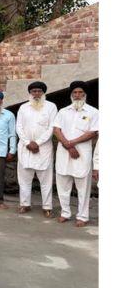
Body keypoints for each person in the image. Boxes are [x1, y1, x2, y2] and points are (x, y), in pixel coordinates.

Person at [53, 81, 98, 227]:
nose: (77, 95)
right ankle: (65, 213)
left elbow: (93, 132)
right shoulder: (63, 111)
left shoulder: (93, 112)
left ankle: (83, 216)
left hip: (82, 154)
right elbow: (56, 130)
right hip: (64, 152)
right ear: (71, 94)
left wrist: (71, 143)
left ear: (85, 94)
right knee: (63, 185)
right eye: (75, 93)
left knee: (83, 187)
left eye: (80, 93)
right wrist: (67, 145)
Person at [16, 81, 58, 217]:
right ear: (30, 93)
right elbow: (19, 127)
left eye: (39, 91)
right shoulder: (23, 107)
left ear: (43, 93)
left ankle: (47, 207)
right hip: (26, 148)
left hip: (43, 148)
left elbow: (52, 127)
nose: (36, 94)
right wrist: (28, 142)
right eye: (34, 91)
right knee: (24, 179)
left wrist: (38, 143)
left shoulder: (51, 107)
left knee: (46, 180)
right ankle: (24, 204)